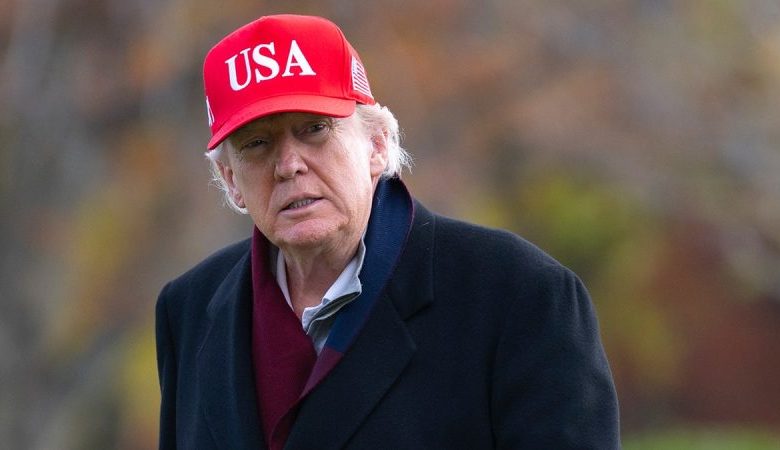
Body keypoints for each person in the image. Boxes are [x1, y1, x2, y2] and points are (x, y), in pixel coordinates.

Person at [155, 14, 620, 450]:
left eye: (314, 129)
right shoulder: (189, 311)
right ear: (231, 181)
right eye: (257, 143)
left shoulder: (518, 294)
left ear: (377, 145)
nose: (289, 165)